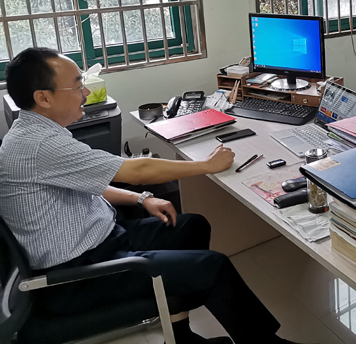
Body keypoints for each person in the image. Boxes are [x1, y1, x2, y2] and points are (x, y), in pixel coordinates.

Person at [0, 48, 306, 344]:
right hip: (77, 275)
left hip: (100, 239)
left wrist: (141, 199)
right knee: (212, 267)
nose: (85, 93)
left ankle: (181, 334)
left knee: (192, 226)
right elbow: (139, 170)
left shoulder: (36, 133)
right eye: (78, 85)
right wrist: (207, 165)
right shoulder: (40, 145)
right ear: (43, 97)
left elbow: (89, 181)